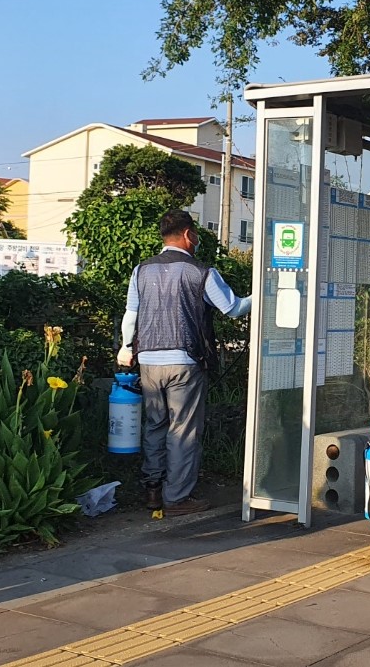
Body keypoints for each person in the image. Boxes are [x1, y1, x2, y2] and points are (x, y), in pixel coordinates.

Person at [117, 210, 252, 517]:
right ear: (188, 235)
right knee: (183, 430)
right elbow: (232, 308)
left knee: (155, 425)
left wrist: (126, 348)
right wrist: (265, 294)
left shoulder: (142, 270)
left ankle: (153, 489)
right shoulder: (200, 271)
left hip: (148, 360)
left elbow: (130, 315)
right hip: (184, 361)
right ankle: (177, 497)